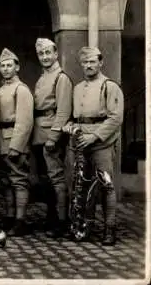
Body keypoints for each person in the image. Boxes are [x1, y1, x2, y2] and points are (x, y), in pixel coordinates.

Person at [66, 46, 123, 246]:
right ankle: (84, 228)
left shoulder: (110, 86)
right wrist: (71, 127)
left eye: (92, 61)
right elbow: (77, 117)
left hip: (101, 145)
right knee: (83, 187)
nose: (89, 65)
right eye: (85, 62)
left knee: (107, 186)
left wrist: (95, 137)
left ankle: (110, 229)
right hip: (81, 145)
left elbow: (116, 118)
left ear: (101, 63)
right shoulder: (78, 88)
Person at [32, 38, 73, 237]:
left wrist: (54, 137)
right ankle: (52, 217)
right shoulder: (42, 78)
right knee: (45, 178)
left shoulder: (61, 78)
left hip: (51, 135)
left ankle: (63, 221)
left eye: (48, 53)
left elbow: (64, 110)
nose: (45, 57)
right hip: (39, 134)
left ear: (56, 54)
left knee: (56, 178)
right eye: (41, 54)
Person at [0, 48, 34, 236]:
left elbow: (25, 121)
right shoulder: (1, 90)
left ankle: (20, 220)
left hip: (13, 142)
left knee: (19, 181)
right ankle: (10, 216)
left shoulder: (21, 90)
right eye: (2, 66)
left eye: (9, 65)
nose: (5, 69)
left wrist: (16, 146)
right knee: (5, 181)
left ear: (17, 67)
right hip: (1, 141)